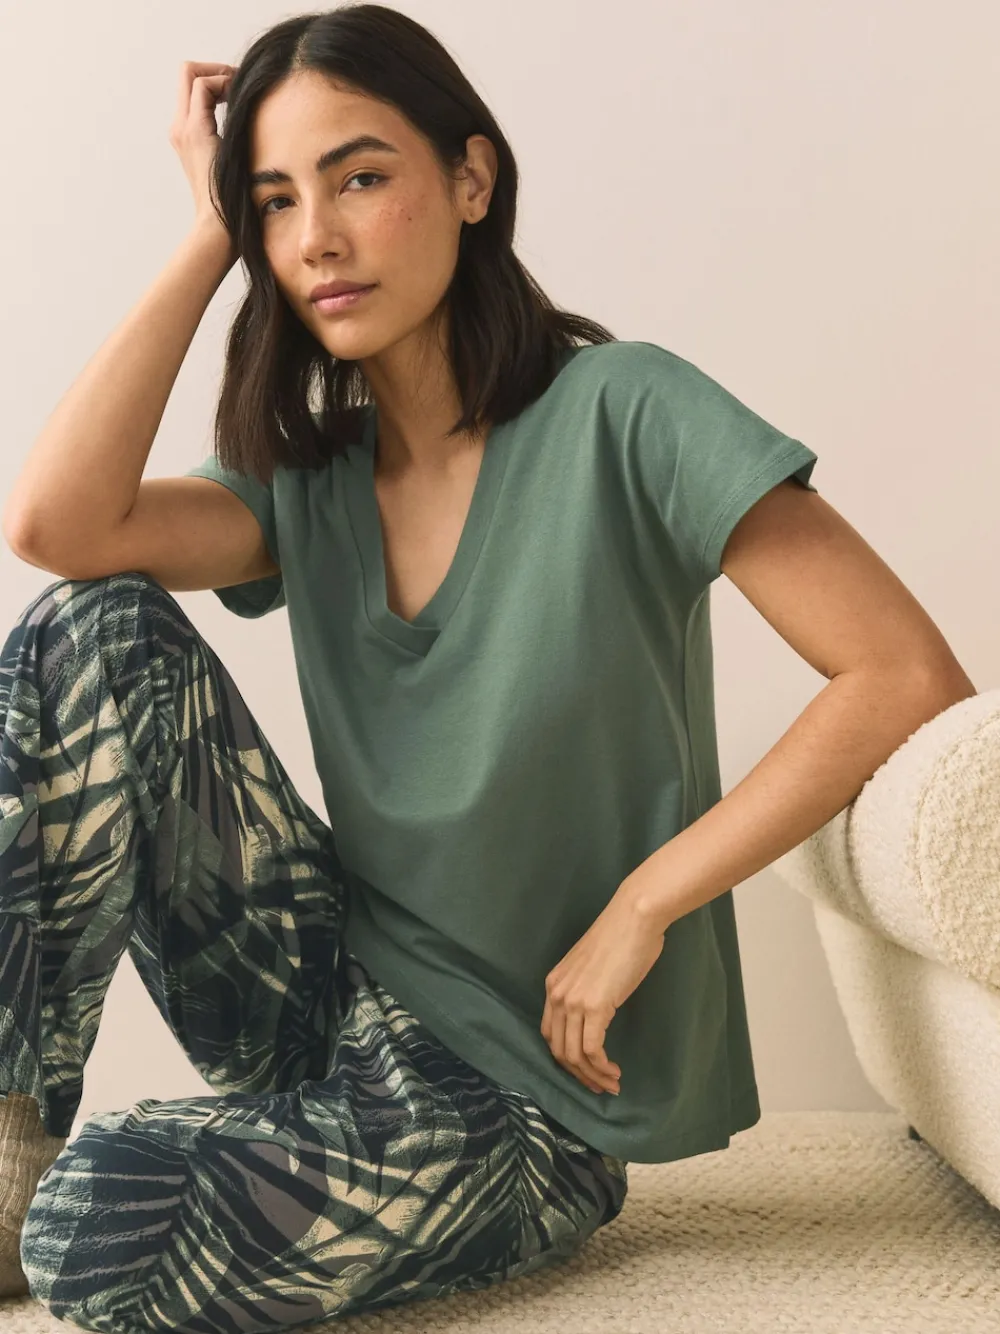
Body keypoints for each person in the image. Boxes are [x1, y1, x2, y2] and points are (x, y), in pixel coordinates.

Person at [0, 2, 833, 1326]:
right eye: (276, 201)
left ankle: (162, 1181)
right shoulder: (308, 476)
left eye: (359, 178)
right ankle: (7, 1145)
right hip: (324, 993)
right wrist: (212, 227)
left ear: (470, 178)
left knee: (103, 1221)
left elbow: (898, 675)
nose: (315, 238)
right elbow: (58, 527)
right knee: (90, 628)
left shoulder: (626, 410)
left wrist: (647, 903)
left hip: (522, 1094)